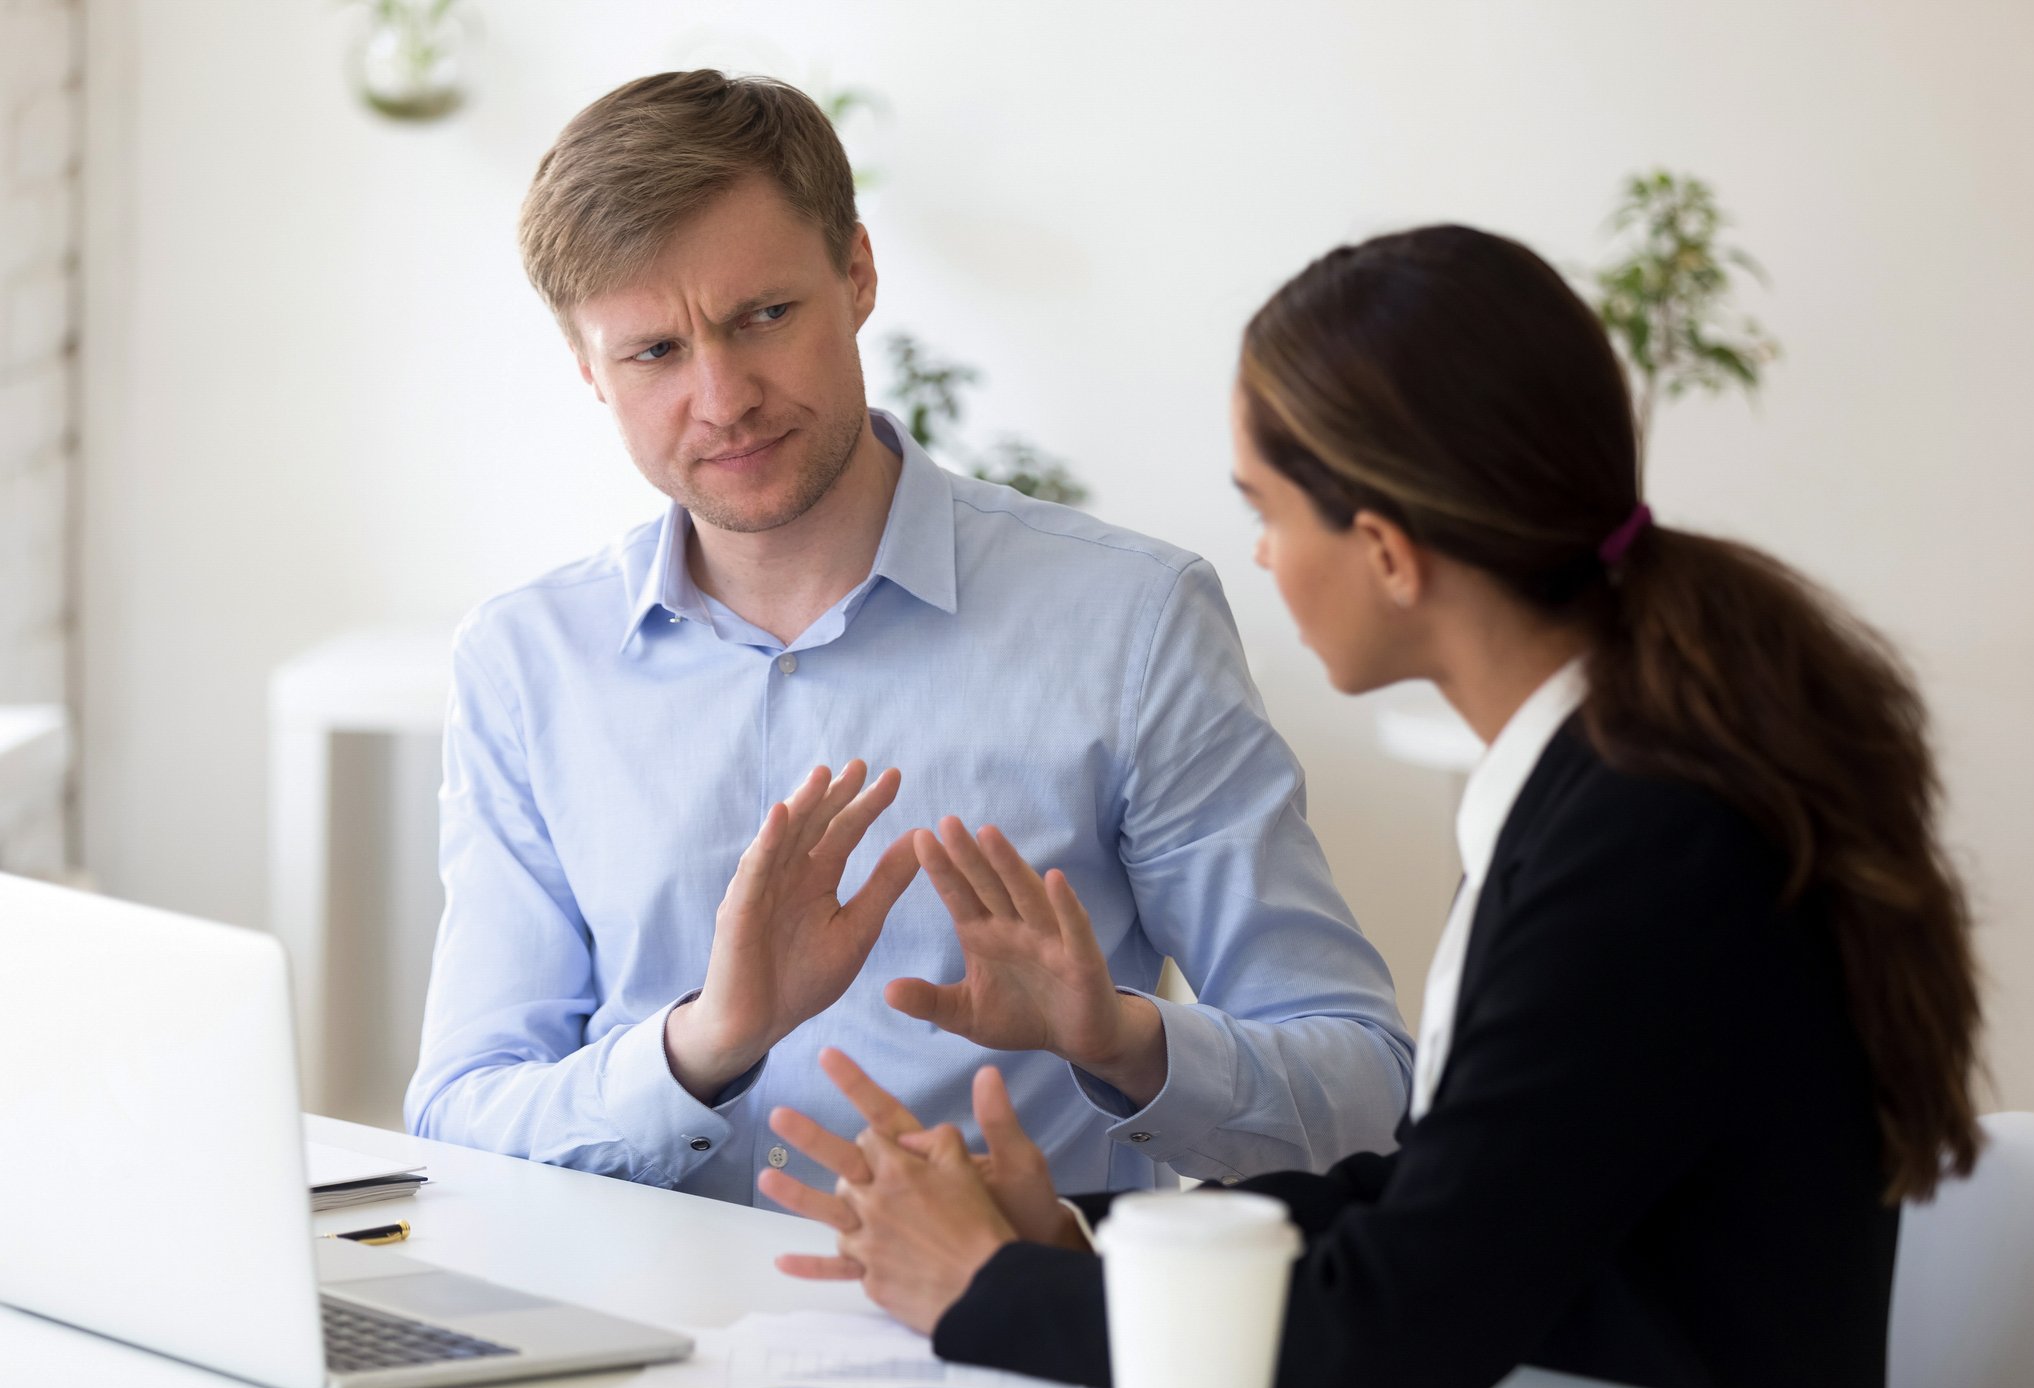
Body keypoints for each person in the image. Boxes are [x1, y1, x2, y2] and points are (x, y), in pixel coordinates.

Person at [761, 224, 1987, 1388]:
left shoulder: (1646, 840)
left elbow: (1395, 1327)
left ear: (1389, 552)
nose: (1262, 555)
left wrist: (988, 1291)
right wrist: (1081, 1235)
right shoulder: (1606, 785)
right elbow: (1445, 1201)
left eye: (1271, 510)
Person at [403, 70, 1416, 1210]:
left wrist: (1124, 1038)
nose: (723, 397)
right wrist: (706, 1041)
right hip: (627, 1342)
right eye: (654, 353)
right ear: (588, 370)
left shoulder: (1128, 621)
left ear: (858, 274)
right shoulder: (525, 664)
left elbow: (1368, 1087)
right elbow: (461, 1113)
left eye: (764, 317)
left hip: (1001, 1343)